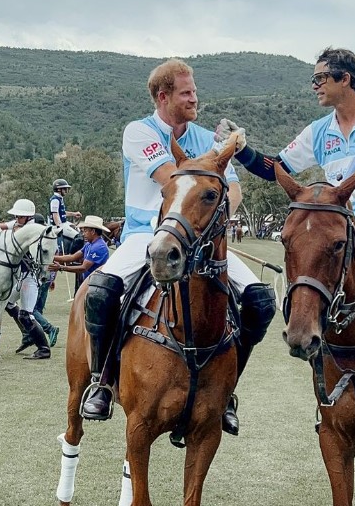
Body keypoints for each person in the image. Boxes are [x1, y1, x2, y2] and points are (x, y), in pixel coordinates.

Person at [81, 58, 276, 434]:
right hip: (146, 233)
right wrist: (222, 154)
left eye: (195, 91)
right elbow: (173, 181)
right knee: (101, 291)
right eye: (187, 93)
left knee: (260, 301)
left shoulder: (206, 139)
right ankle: (102, 381)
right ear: (163, 95)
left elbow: (231, 189)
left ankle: (228, 391)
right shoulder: (139, 132)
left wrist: (215, 216)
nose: (194, 98)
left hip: (202, 238)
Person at [215, 46, 355, 309]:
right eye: (313, 79)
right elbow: (275, 168)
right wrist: (241, 149)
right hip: (339, 234)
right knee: (303, 300)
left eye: (320, 78)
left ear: (345, 79)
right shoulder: (318, 132)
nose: (314, 86)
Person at [0, 200, 52, 359]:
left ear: (28, 216)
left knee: (26, 314)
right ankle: (28, 335)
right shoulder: (20, 224)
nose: (16, 218)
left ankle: (44, 348)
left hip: (30, 275)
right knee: (9, 304)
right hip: (20, 275)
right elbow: (4, 226)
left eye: (20, 216)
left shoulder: (35, 227)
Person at [15, 213, 60, 353]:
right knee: (33, 310)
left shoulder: (37, 240)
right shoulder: (49, 237)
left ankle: (47, 332)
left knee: (30, 311)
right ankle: (29, 336)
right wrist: (53, 278)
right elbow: (54, 258)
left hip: (37, 278)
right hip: (45, 277)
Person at [49, 215, 110, 282]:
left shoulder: (99, 247)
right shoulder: (89, 244)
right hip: (90, 282)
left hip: (96, 283)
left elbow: (83, 268)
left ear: (93, 231)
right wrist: (50, 257)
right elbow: (73, 257)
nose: (83, 234)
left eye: (85, 231)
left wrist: (61, 267)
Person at [49, 178, 82, 250]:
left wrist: (74, 214)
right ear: (59, 189)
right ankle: (72, 255)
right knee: (77, 236)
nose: (66, 191)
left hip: (64, 223)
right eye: (64, 189)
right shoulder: (55, 200)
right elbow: (55, 214)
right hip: (59, 225)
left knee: (79, 230)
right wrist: (58, 227)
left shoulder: (59, 198)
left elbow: (62, 213)